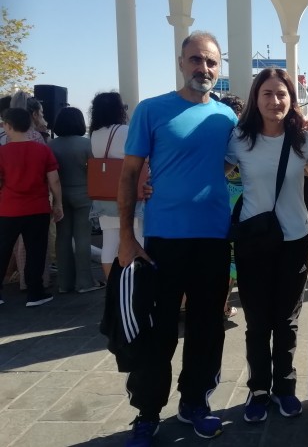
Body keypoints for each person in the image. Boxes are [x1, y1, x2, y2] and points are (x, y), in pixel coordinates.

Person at [117, 31, 237, 446]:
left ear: (218, 69)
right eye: (196, 59)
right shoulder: (151, 110)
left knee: (207, 327)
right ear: (181, 61)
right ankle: (148, 413)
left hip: (213, 238)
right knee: (158, 330)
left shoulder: (227, 117)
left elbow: (225, 164)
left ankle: (195, 403)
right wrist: (126, 236)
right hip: (163, 240)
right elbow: (129, 174)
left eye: (211, 62)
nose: (203, 68)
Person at [226, 68, 308, 422]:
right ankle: (259, 388)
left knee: (287, 320)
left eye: (281, 94)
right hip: (254, 241)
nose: (274, 101)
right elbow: (212, 175)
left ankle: (285, 388)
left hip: (294, 239)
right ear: (255, 98)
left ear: (291, 99)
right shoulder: (239, 138)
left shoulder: (302, 140)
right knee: (258, 321)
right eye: (267, 93)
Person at [0, 108, 63, 307]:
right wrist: (58, 203)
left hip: (8, 209)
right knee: (36, 251)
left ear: (8, 126)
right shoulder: (43, 150)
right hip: (38, 208)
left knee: (2, 250)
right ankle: (35, 293)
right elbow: (54, 181)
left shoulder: (2, 152)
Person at [89, 92, 144, 280]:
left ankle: (112, 285)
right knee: (138, 240)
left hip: (105, 196)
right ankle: (136, 285)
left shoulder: (95, 134)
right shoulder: (125, 131)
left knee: (109, 244)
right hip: (129, 194)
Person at [49, 107, 101, 293]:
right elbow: (95, 171)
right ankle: (85, 282)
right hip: (83, 195)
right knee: (82, 238)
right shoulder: (86, 143)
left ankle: (65, 283)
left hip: (60, 195)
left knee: (62, 237)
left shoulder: (51, 145)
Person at [219, 94, 245, 320]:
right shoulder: (242, 137)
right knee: (234, 260)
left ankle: (221, 305)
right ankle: (223, 307)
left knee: (224, 259)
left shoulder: (217, 137)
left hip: (220, 202)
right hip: (241, 204)